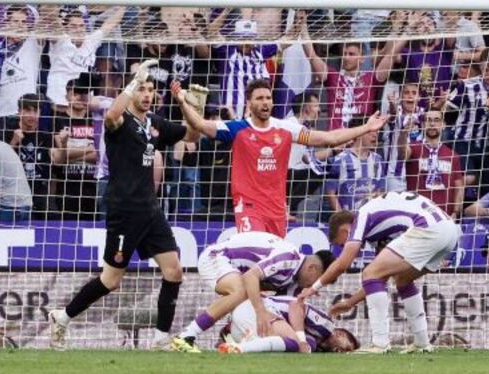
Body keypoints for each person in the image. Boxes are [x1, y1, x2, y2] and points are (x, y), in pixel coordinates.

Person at [48, 60, 189, 351]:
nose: (147, 95)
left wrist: (184, 102)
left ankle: (161, 339)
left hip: (150, 210)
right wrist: (132, 82)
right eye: (142, 89)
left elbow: (193, 133)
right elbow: (112, 113)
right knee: (111, 280)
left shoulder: (155, 124)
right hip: (124, 210)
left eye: (151, 90)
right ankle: (61, 317)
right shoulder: (119, 122)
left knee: (174, 270)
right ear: (132, 91)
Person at [171, 77, 390, 237]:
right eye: (259, 98)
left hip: (276, 208)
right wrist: (183, 103)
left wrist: (366, 127)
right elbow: (199, 126)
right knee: (254, 251)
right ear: (249, 103)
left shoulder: (286, 129)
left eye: (268, 98)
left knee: (271, 266)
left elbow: (329, 138)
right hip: (248, 206)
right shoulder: (236, 128)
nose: (265, 102)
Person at [305, 192, 461, 354]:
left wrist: (313, 288)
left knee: (370, 272)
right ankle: (422, 343)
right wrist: (350, 302)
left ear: (345, 230)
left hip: (428, 229)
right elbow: (380, 278)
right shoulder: (379, 228)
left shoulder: (362, 217)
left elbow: (342, 265)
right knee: (402, 280)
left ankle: (380, 343)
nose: (346, 245)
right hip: (449, 231)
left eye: (342, 243)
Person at [174, 230, 333, 352]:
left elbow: (282, 311)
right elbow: (251, 276)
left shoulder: (294, 283)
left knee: (258, 304)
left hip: (235, 271)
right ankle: (187, 336)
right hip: (217, 258)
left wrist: (303, 340)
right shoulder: (289, 257)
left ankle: (232, 336)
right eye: (319, 281)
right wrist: (260, 311)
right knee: (241, 292)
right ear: (312, 268)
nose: (316, 286)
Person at [217, 294, 358, 355]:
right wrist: (301, 340)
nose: (343, 351)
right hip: (255, 310)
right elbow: (296, 305)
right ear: (340, 333)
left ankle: (238, 344)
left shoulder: (315, 343)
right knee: (297, 344)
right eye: (347, 347)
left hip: (243, 327)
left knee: (291, 348)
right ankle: (241, 347)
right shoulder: (327, 326)